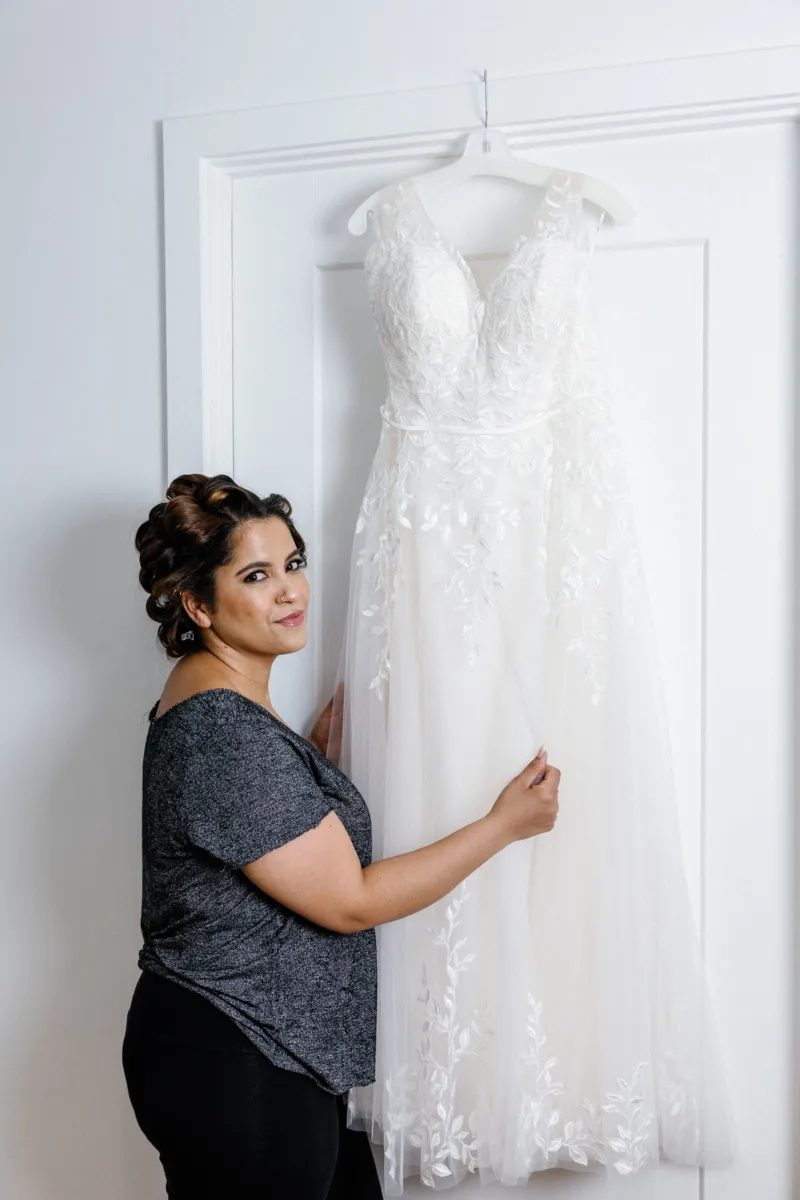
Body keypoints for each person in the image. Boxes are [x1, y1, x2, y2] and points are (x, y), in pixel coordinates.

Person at [121, 472, 560, 1200]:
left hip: (257, 1047)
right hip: (236, 1053)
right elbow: (349, 901)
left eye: (292, 564)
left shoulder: (217, 703)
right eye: (256, 576)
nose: (291, 592)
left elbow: (250, 838)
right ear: (197, 603)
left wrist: (310, 763)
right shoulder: (224, 732)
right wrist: (502, 826)